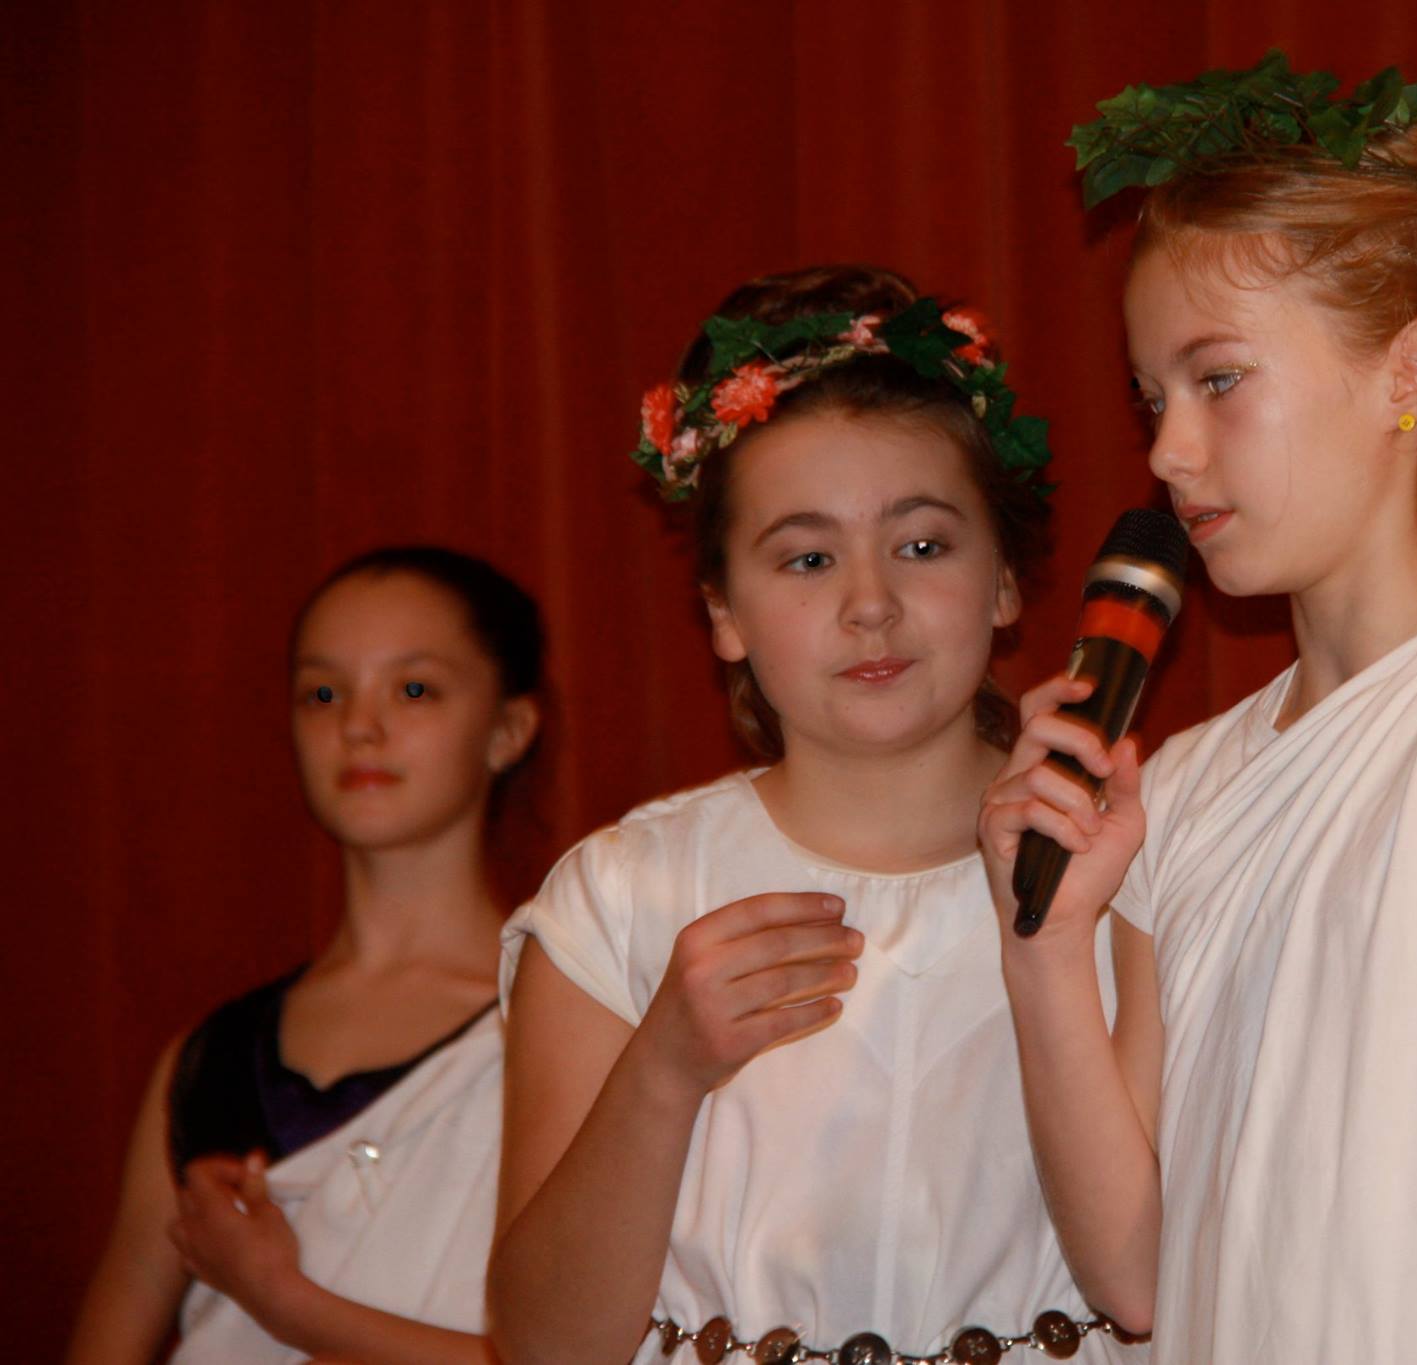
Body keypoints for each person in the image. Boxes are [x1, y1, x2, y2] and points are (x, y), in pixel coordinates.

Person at [979, 55, 1417, 1362]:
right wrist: (1047, 950)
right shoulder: (1179, 791)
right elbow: (1134, 1274)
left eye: (1218, 380)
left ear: (1409, 374)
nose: (1167, 451)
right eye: (1152, 398)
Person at [491, 265, 1141, 1365]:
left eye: (922, 545)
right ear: (723, 613)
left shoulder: (1125, 865)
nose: (870, 604)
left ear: (1003, 581)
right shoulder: (622, 897)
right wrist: (662, 1071)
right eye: (807, 558)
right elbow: (541, 1344)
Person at [67, 545, 545, 1364]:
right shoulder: (209, 1060)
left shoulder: (558, 1023)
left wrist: (284, 1300)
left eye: (414, 689)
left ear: (507, 729)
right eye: (323, 693)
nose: (359, 725)